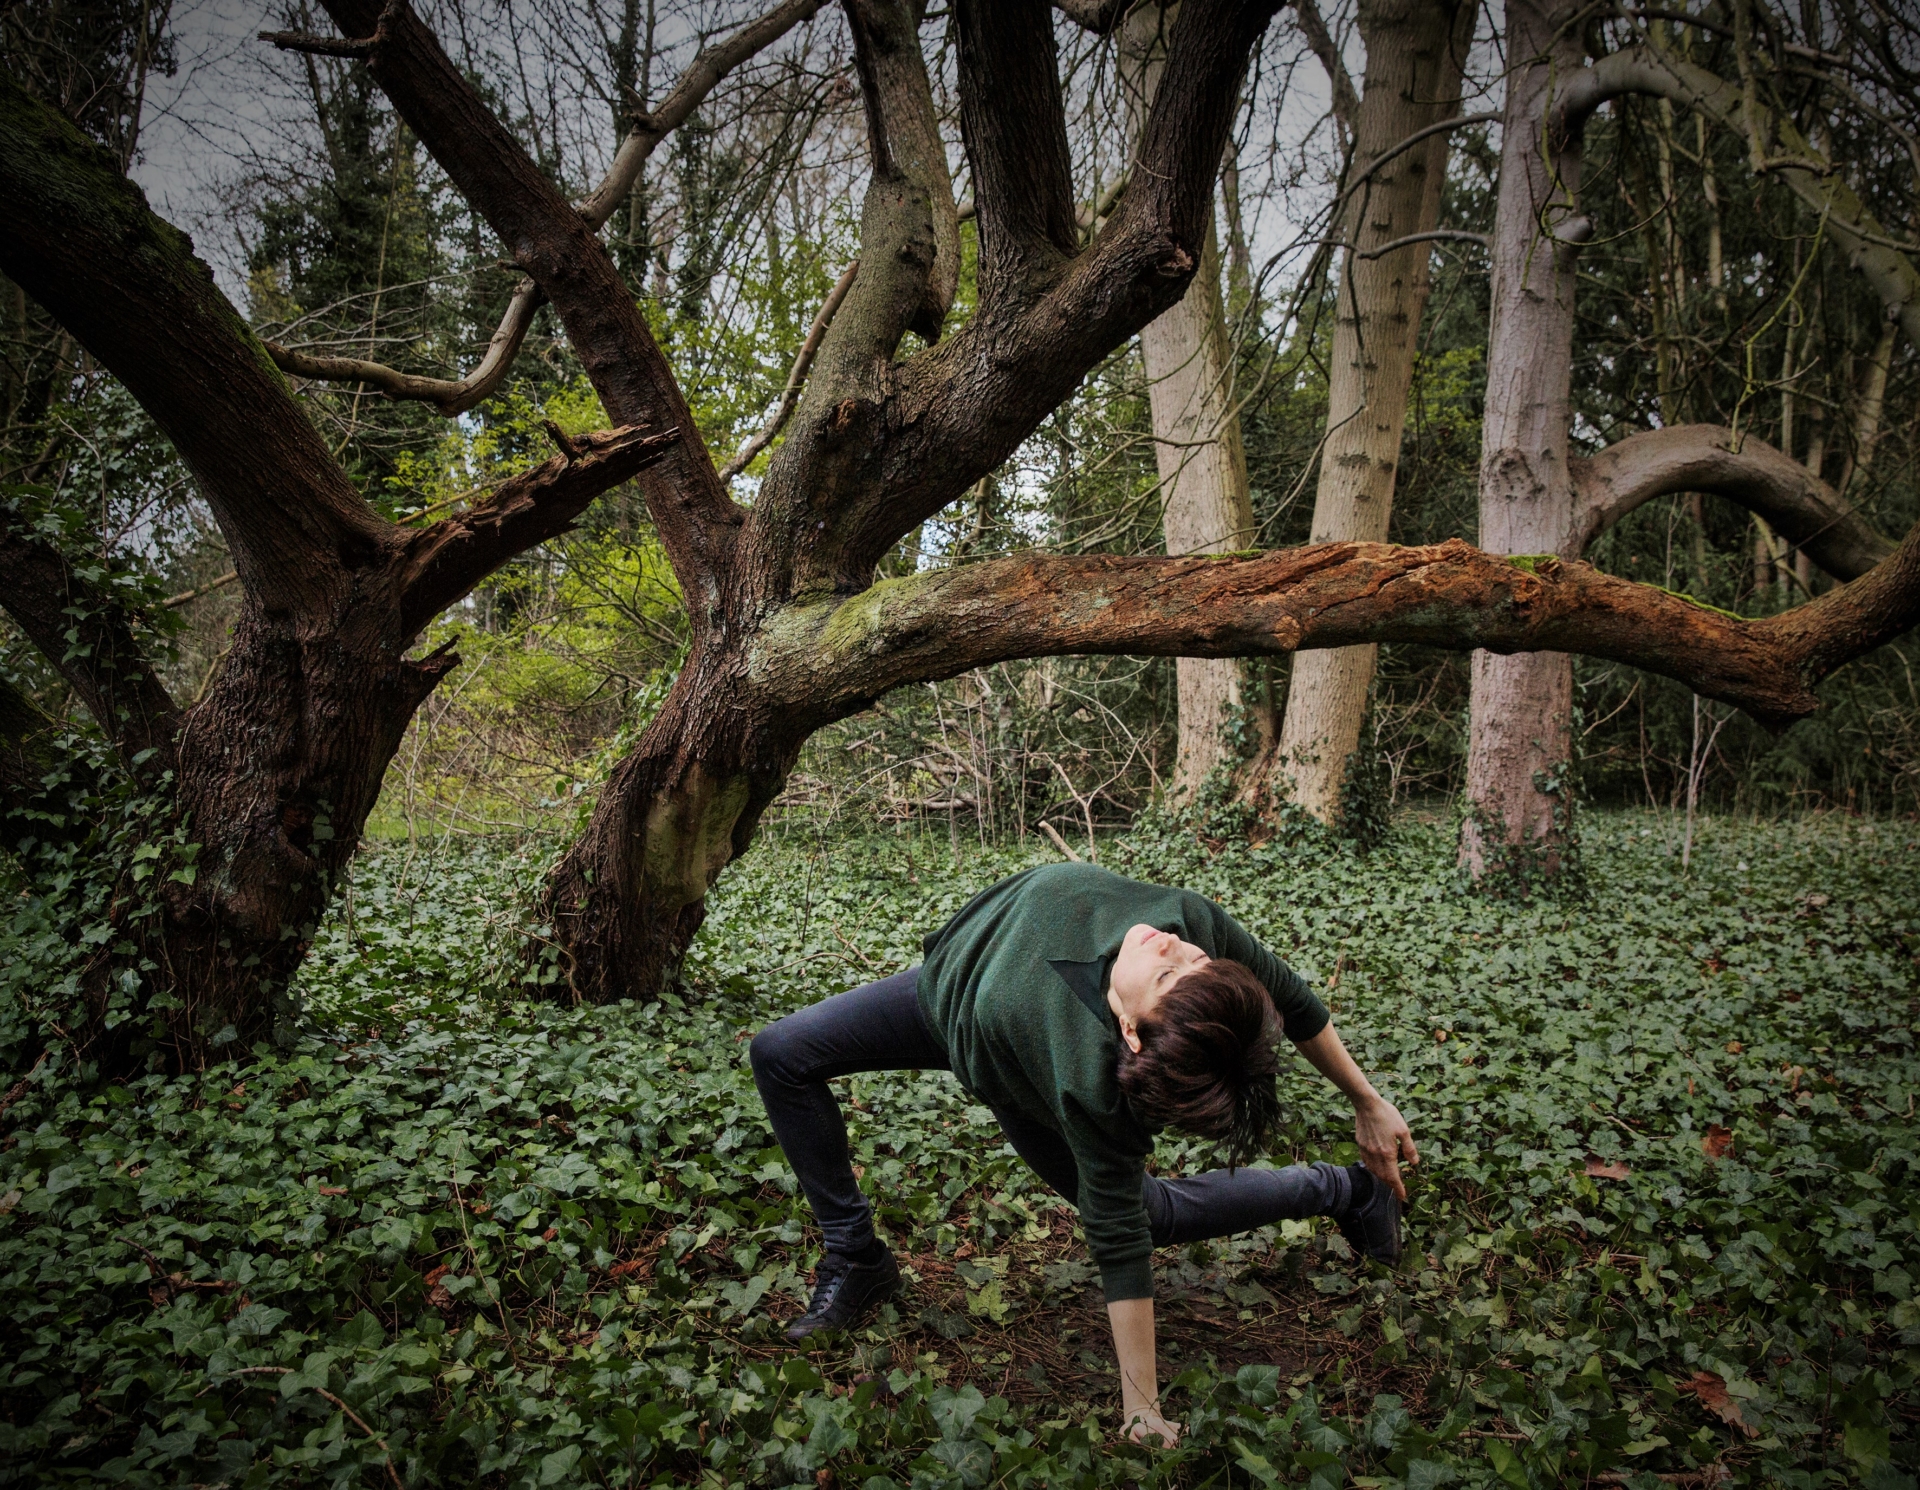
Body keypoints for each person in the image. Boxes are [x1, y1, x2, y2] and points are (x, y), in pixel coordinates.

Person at [749, 862, 1417, 1445]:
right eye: (1190, 962)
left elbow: (1119, 1239)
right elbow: (1295, 1004)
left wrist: (1143, 1409)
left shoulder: (1089, 1085)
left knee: (1140, 1214)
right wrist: (1368, 1101)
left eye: (1167, 977)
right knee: (781, 1053)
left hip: (1002, 1054)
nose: (1175, 949)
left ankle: (1344, 1190)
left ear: (1130, 1030)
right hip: (947, 988)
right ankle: (858, 1258)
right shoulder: (1195, 930)